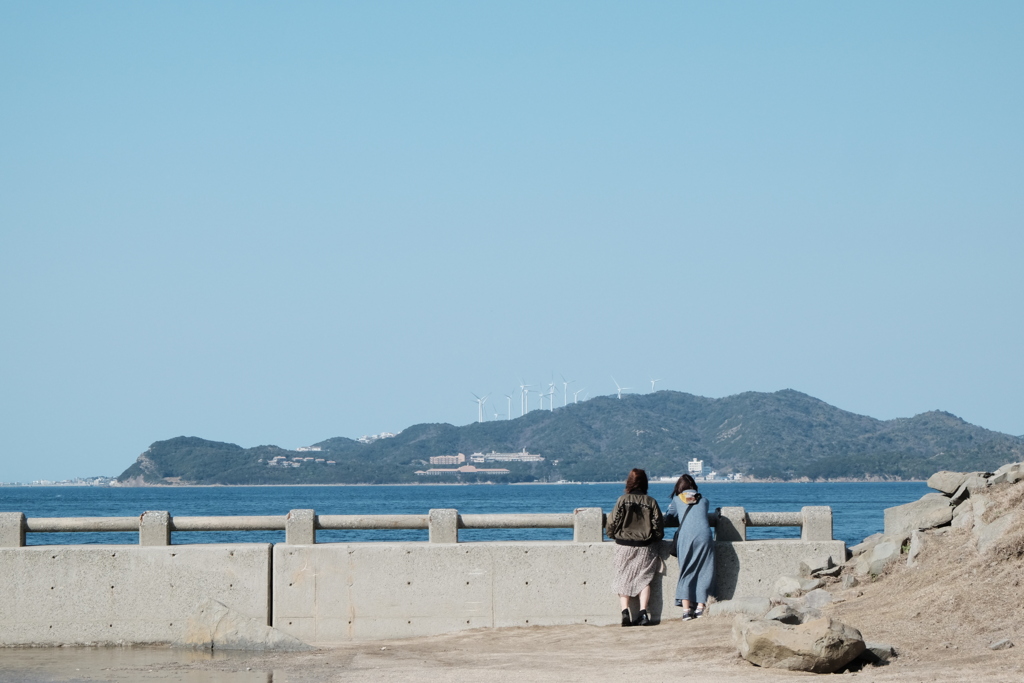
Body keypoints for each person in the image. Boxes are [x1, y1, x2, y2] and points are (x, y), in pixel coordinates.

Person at [605, 468, 664, 626]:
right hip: (645, 546)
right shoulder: (651, 501)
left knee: (623, 577)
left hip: (623, 544)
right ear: (645, 483)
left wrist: (612, 535)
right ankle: (643, 613)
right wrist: (656, 537)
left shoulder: (622, 500)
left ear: (628, 482)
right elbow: (658, 525)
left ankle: (625, 613)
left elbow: (611, 522)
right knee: (644, 579)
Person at [664, 473, 715, 620]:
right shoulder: (704, 501)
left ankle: (686, 611)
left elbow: (669, 516)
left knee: (686, 571)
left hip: (686, 537)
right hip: (705, 535)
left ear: (679, 488)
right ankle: (700, 607)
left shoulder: (676, 499)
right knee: (705, 571)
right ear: (694, 487)